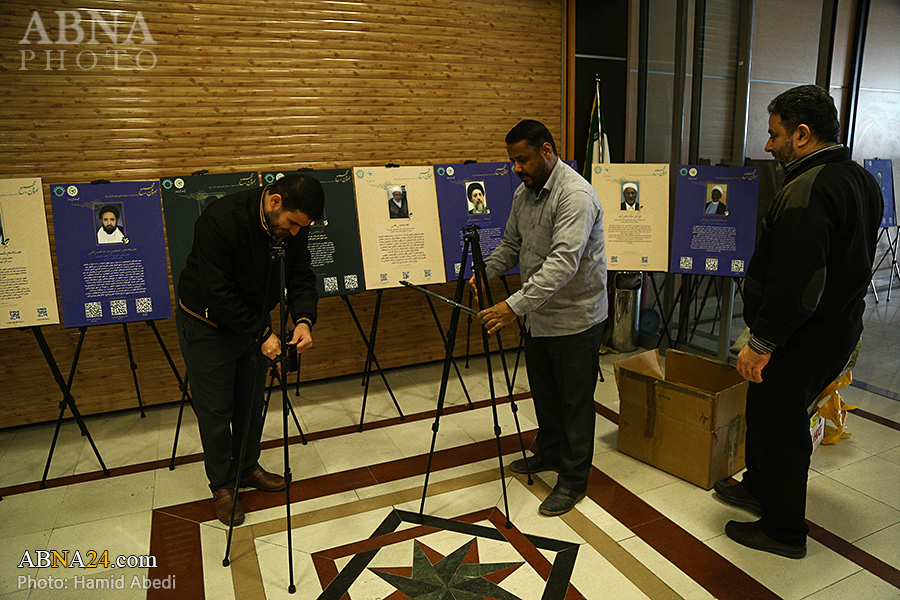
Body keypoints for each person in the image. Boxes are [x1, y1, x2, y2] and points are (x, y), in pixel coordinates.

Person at [715, 85, 882, 558]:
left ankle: (783, 531)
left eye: (775, 135)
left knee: (783, 428)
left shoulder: (809, 189)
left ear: (802, 134)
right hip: (834, 328)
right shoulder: (860, 179)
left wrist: (762, 343)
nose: (768, 145)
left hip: (801, 337)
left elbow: (798, 282)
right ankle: (759, 487)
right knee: (765, 410)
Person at [473, 119, 608, 517]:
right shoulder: (524, 193)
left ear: (547, 151)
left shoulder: (575, 196)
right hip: (539, 316)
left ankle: (573, 479)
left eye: (524, 159)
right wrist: (485, 272)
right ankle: (549, 451)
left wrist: (512, 306)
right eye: (513, 161)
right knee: (545, 393)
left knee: (575, 402)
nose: (517, 168)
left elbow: (562, 264)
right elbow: (511, 244)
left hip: (575, 319)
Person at [176, 174, 324, 526]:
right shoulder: (220, 220)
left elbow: (300, 274)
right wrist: (262, 334)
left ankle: (246, 467)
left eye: (301, 228)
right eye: (291, 223)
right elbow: (218, 292)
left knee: (251, 401)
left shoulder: (295, 228)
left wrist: (304, 320)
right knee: (216, 410)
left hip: (255, 323)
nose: (294, 233)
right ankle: (223, 486)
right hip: (208, 324)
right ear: (275, 202)